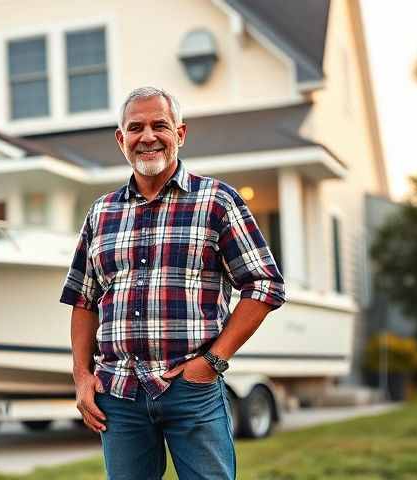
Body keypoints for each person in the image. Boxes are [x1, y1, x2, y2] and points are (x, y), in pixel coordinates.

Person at [60, 86, 286, 479]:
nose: (147, 137)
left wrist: (211, 362)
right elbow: (84, 300)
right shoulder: (102, 213)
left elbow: (264, 284)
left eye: (159, 125)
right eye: (135, 128)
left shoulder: (217, 201)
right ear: (121, 139)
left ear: (180, 134)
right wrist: (82, 375)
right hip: (119, 394)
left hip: (192, 391)